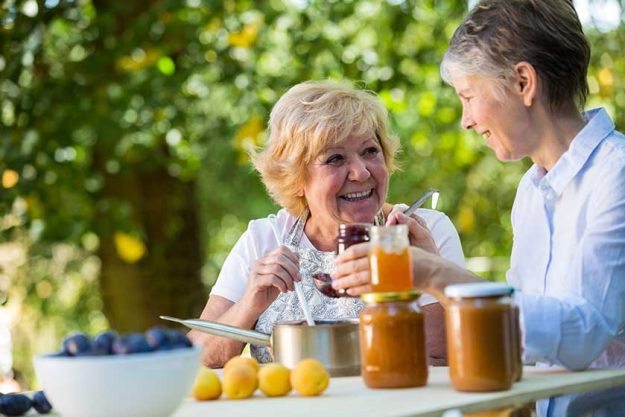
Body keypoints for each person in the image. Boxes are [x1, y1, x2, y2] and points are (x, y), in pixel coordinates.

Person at [333, 1, 625, 415]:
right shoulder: (532, 190)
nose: (465, 120)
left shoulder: (617, 176)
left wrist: (436, 274)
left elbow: (583, 334)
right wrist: (436, 272)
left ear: (524, 82)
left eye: (468, 96)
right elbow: (518, 321)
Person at [189, 81, 465, 367]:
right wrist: (250, 304)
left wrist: (426, 271)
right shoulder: (264, 239)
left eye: (370, 151)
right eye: (335, 158)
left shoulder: (424, 230)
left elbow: (443, 358)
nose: (360, 172)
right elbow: (196, 358)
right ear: (295, 179)